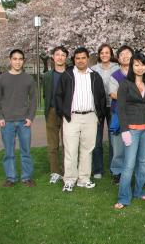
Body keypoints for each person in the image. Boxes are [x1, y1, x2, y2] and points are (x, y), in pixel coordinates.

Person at [55, 47, 106, 192]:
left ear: (88, 59)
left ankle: (83, 179)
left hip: (90, 117)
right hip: (72, 117)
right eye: (77, 58)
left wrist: (99, 115)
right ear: (74, 60)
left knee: (87, 149)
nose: (80, 60)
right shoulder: (67, 75)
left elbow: (101, 97)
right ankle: (69, 180)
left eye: (83, 58)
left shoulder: (95, 76)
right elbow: (58, 96)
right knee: (71, 150)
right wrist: (64, 113)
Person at [114, 53, 145, 209]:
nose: (140, 67)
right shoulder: (125, 84)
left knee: (142, 163)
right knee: (129, 164)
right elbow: (121, 109)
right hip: (131, 130)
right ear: (131, 67)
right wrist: (124, 130)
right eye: (136, 64)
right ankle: (124, 197)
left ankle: (139, 190)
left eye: (142, 64)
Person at [0, 49, 37, 187]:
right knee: (9, 152)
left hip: (24, 122)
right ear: (10, 60)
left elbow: (33, 100)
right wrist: (0, 117)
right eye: (15, 59)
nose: (17, 62)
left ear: (23, 61)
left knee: (26, 151)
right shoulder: (2, 78)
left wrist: (30, 117)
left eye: (20, 59)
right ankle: (10, 178)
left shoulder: (28, 79)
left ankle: (26, 177)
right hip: (6, 122)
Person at [91, 44, 119, 179]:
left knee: (114, 138)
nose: (104, 55)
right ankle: (97, 169)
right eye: (102, 53)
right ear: (99, 54)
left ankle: (114, 168)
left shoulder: (117, 68)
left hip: (114, 106)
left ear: (111, 54)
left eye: (107, 53)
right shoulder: (94, 69)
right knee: (97, 138)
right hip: (99, 107)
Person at [108, 45, 134, 184]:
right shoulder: (115, 76)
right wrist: (133, 95)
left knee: (134, 144)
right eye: (122, 54)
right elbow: (113, 94)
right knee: (118, 146)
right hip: (118, 114)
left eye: (128, 53)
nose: (125, 56)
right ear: (118, 58)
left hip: (136, 114)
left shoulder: (138, 73)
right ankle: (117, 172)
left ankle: (134, 171)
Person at [43, 46, 69, 184]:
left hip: (67, 112)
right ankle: (55, 172)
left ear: (66, 58)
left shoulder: (71, 74)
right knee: (53, 144)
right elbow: (45, 94)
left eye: (63, 55)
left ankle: (67, 171)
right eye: (57, 54)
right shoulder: (47, 76)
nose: (60, 57)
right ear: (53, 57)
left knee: (67, 143)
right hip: (52, 111)